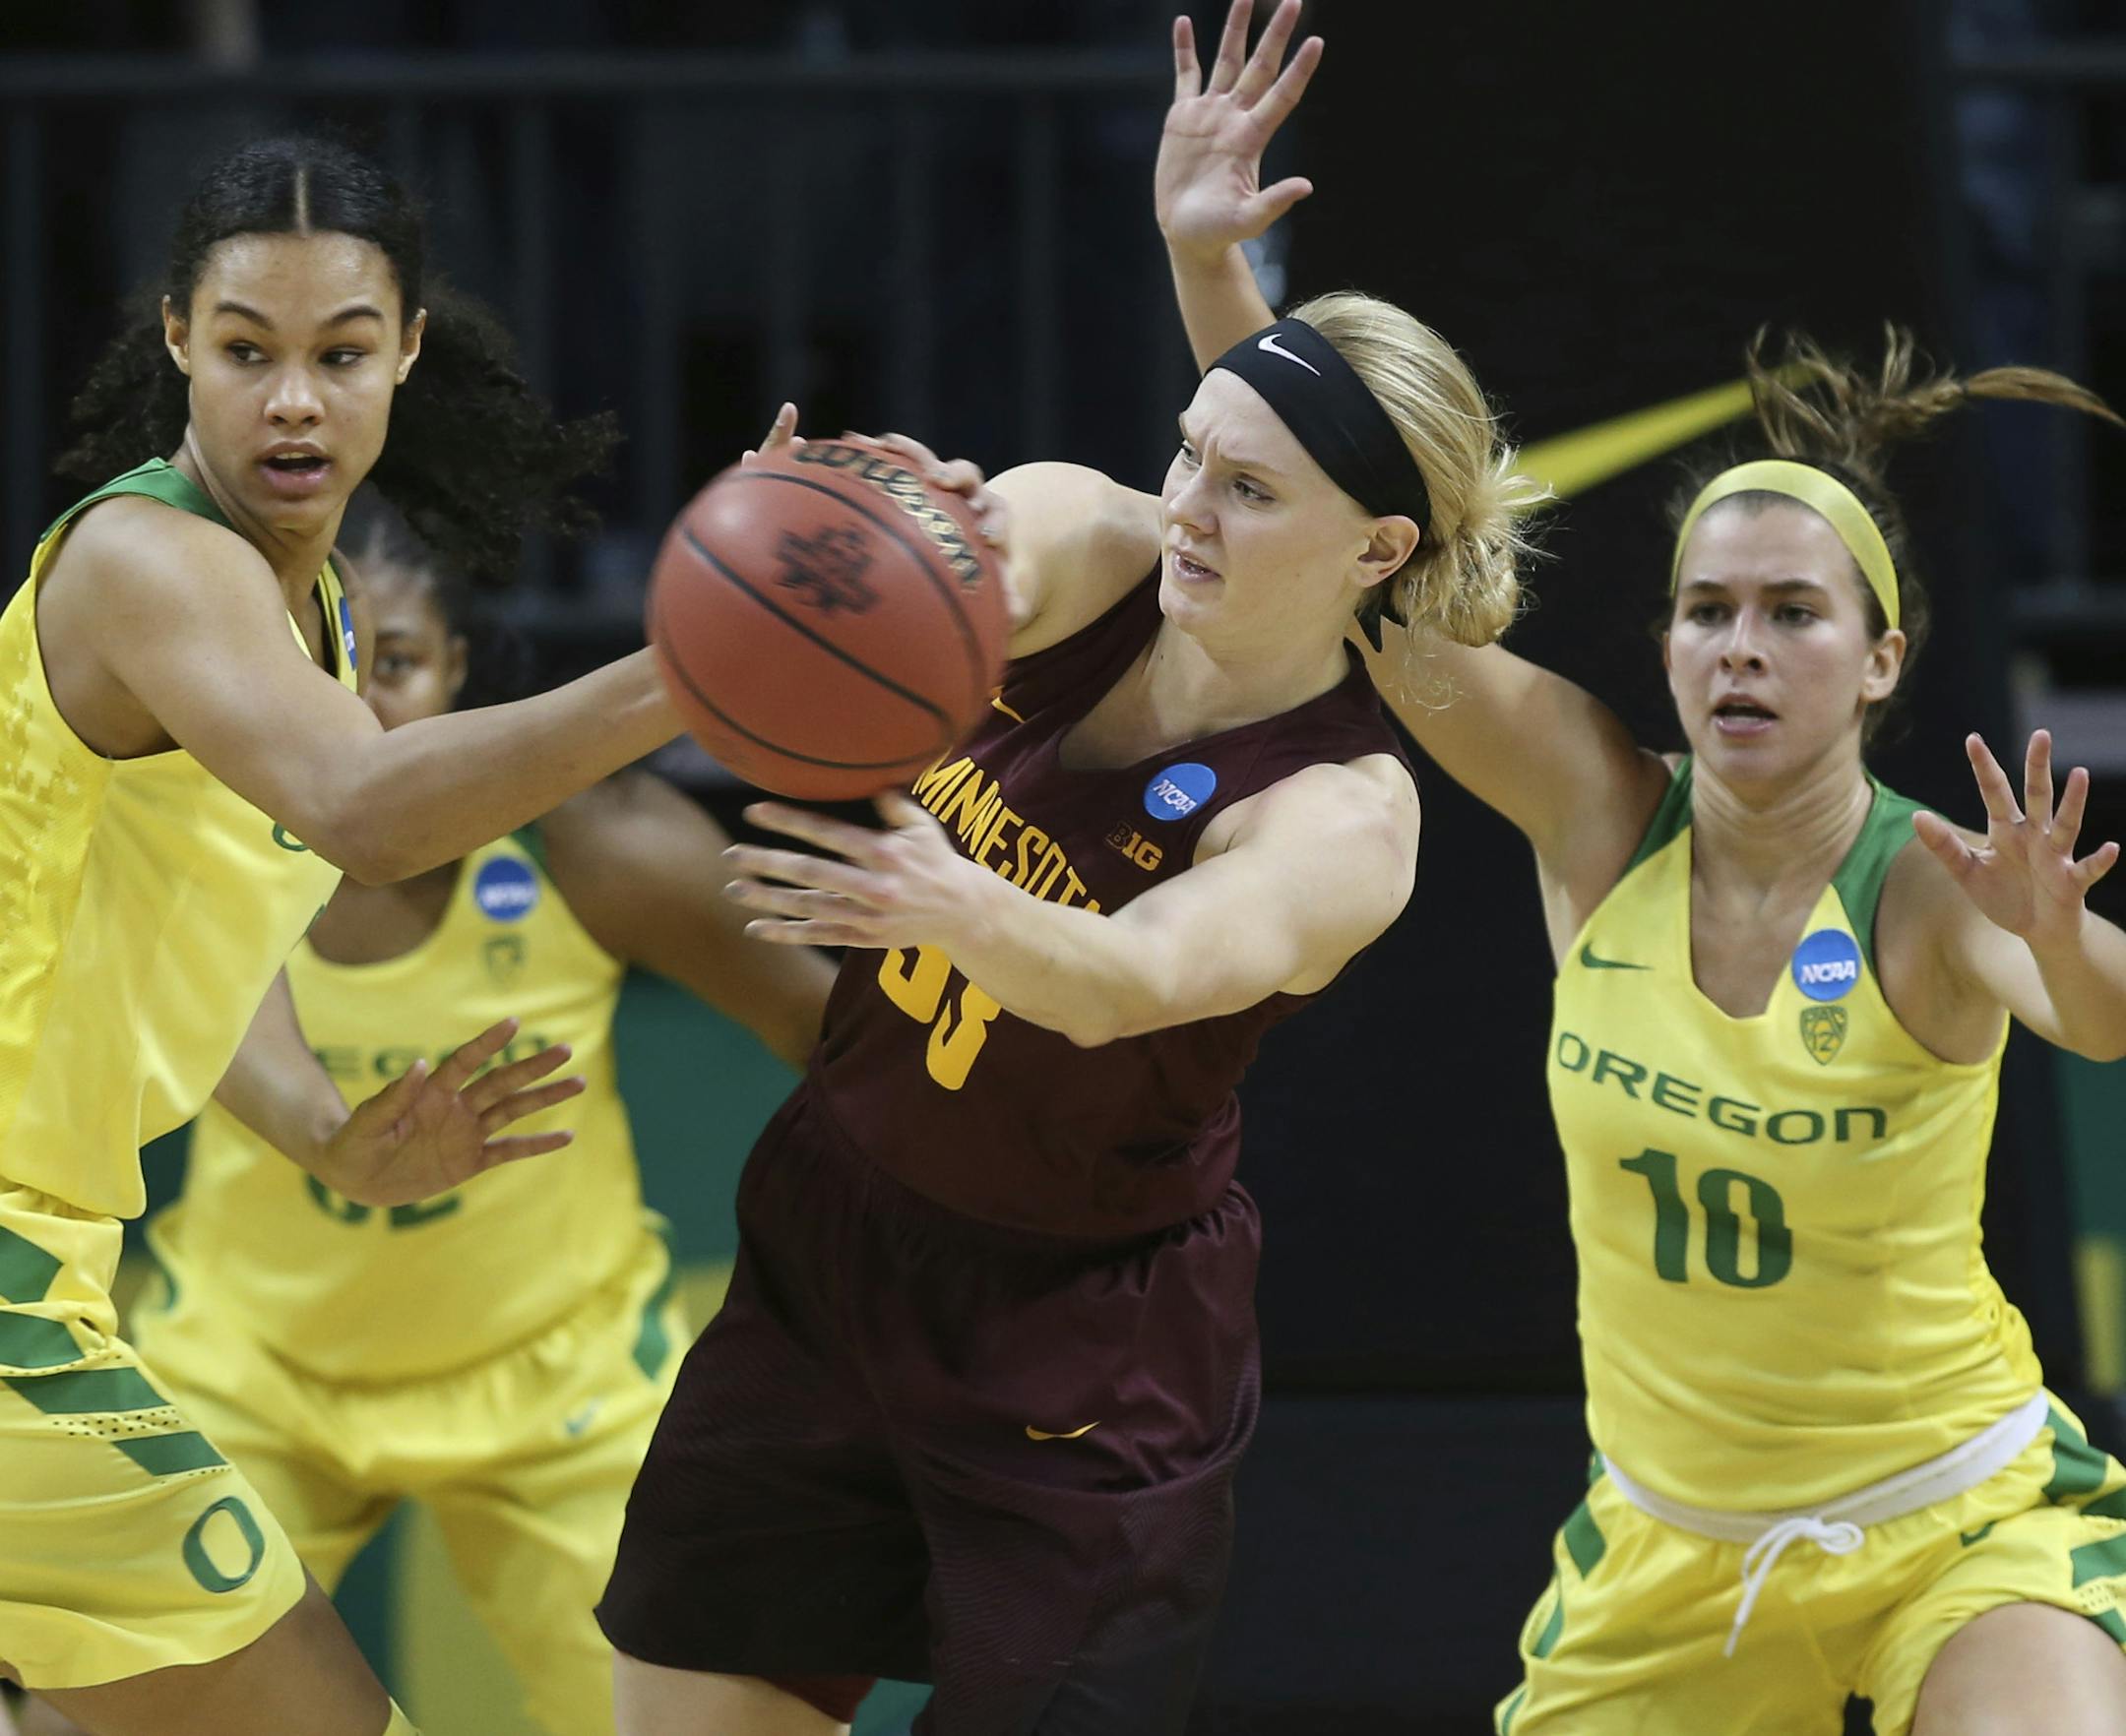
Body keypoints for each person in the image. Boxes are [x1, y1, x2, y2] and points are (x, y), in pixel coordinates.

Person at [1157, 12, 2126, 1733]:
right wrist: (1214, 267)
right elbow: (1349, 559)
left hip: (1958, 1519)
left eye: (1791, 614)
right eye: (1708, 610)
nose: (1741, 649)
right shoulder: (1601, 811)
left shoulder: (1935, 886)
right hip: (1672, 1550)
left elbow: (2104, 1024)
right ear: (1666, 644)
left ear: (1883, 659)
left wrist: (2067, 932)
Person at [590, 8, 1540, 1732]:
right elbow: (966, 552)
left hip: (1081, 1337)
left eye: (1244, 488)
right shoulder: (1095, 538)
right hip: (834, 1229)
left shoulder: (1343, 813)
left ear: (1377, 550)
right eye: (1188, 449)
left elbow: (1144, 976)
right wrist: (829, 560)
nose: (1187, 500)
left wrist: (955, 899)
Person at [0, 134, 689, 1736]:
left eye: (339, 353)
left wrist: (326, 1129)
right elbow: (368, 808)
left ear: (408, 357)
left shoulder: (299, 618)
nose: (293, 399)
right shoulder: (145, 563)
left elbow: (160, 932)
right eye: (247, 351)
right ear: (175, 338)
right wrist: (698, 669)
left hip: (55, 1251)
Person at [103, 513, 836, 1736]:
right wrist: (338, 1136)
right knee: (101, 1707)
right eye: (313, 664)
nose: (354, 706)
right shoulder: (185, 863)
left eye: (391, 663)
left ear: (456, 676)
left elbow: (832, 1037)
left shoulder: (597, 847)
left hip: (562, 1382)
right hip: (251, 1372)